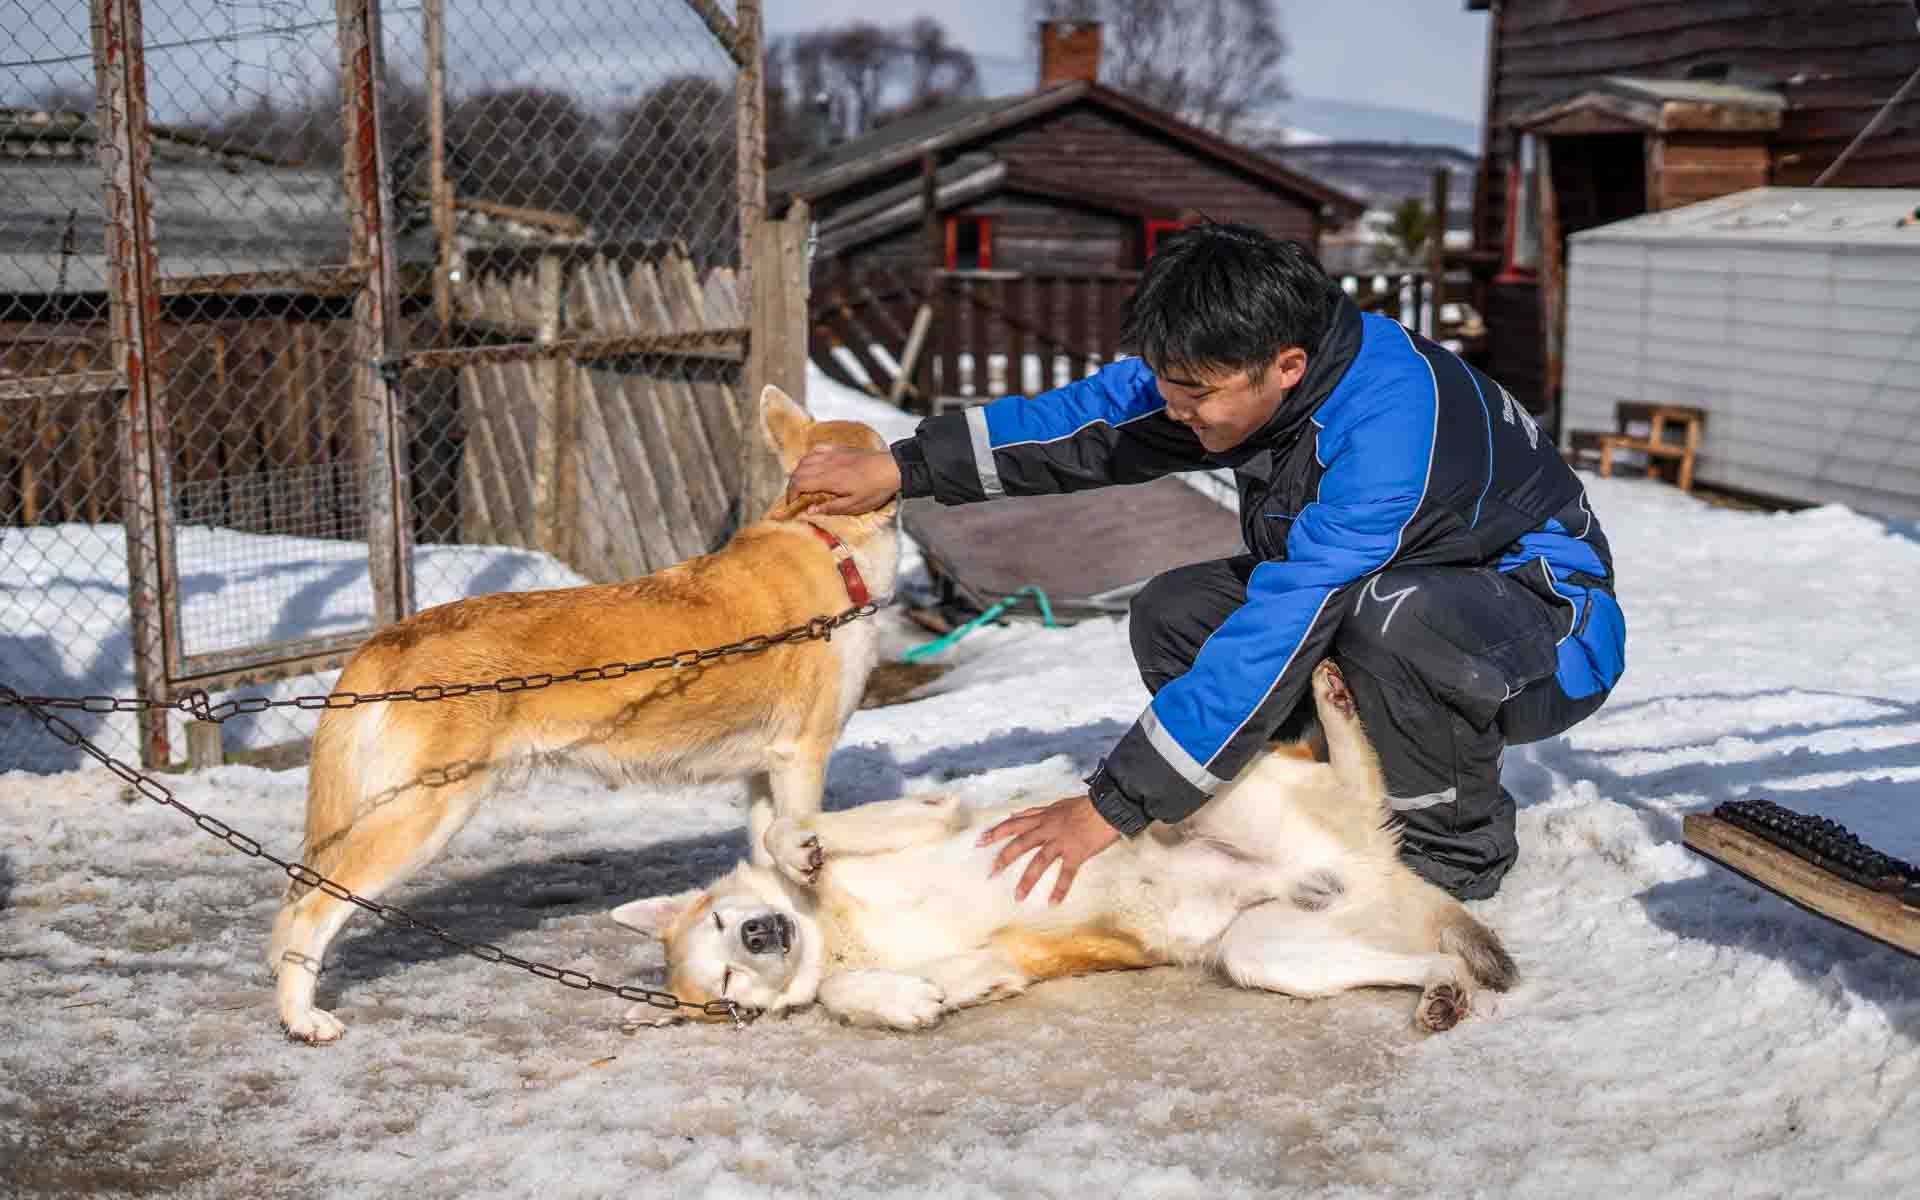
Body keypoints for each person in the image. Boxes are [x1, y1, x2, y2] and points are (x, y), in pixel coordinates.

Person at [789, 223, 1625, 905]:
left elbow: (1285, 623)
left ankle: (1447, 860)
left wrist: (1112, 806)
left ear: (1287, 367)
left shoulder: (1386, 432)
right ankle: (1301, 804)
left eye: (1194, 393)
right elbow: (1084, 420)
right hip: (1395, 594)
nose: (1174, 408)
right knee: (1175, 612)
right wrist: (904, 466)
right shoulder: (1245, 362)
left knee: (1386, 617)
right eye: (1168, 383)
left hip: (1544, 631)